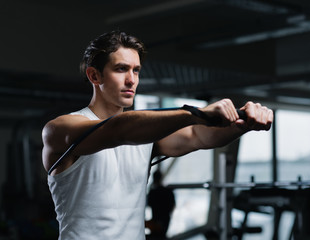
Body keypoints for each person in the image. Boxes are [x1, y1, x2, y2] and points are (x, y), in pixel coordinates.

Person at [41, 30, 273, 239]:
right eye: (121, 69)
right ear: (95, 76)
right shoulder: (59, 128)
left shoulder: (145, 136)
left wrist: (242, 124)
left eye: (136, 70)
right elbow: (117, 130)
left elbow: (198, 136)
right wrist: (196, 112)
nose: (132, 79)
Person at [146, 170, 176, 239]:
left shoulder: (153, 192)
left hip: (156, 220)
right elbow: (172, 206)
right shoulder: (168, 191)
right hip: (164, 220)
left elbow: (149, 204)